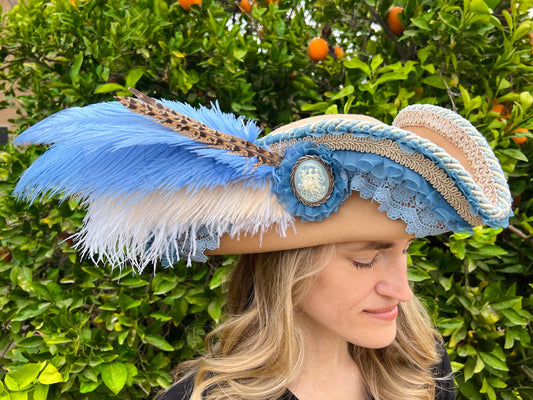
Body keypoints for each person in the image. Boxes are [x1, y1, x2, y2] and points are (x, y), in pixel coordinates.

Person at [14, 90, 512, 400]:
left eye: (405, 253)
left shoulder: (420, 367)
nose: (402, 292)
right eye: (365, 260)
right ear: (289, 266)